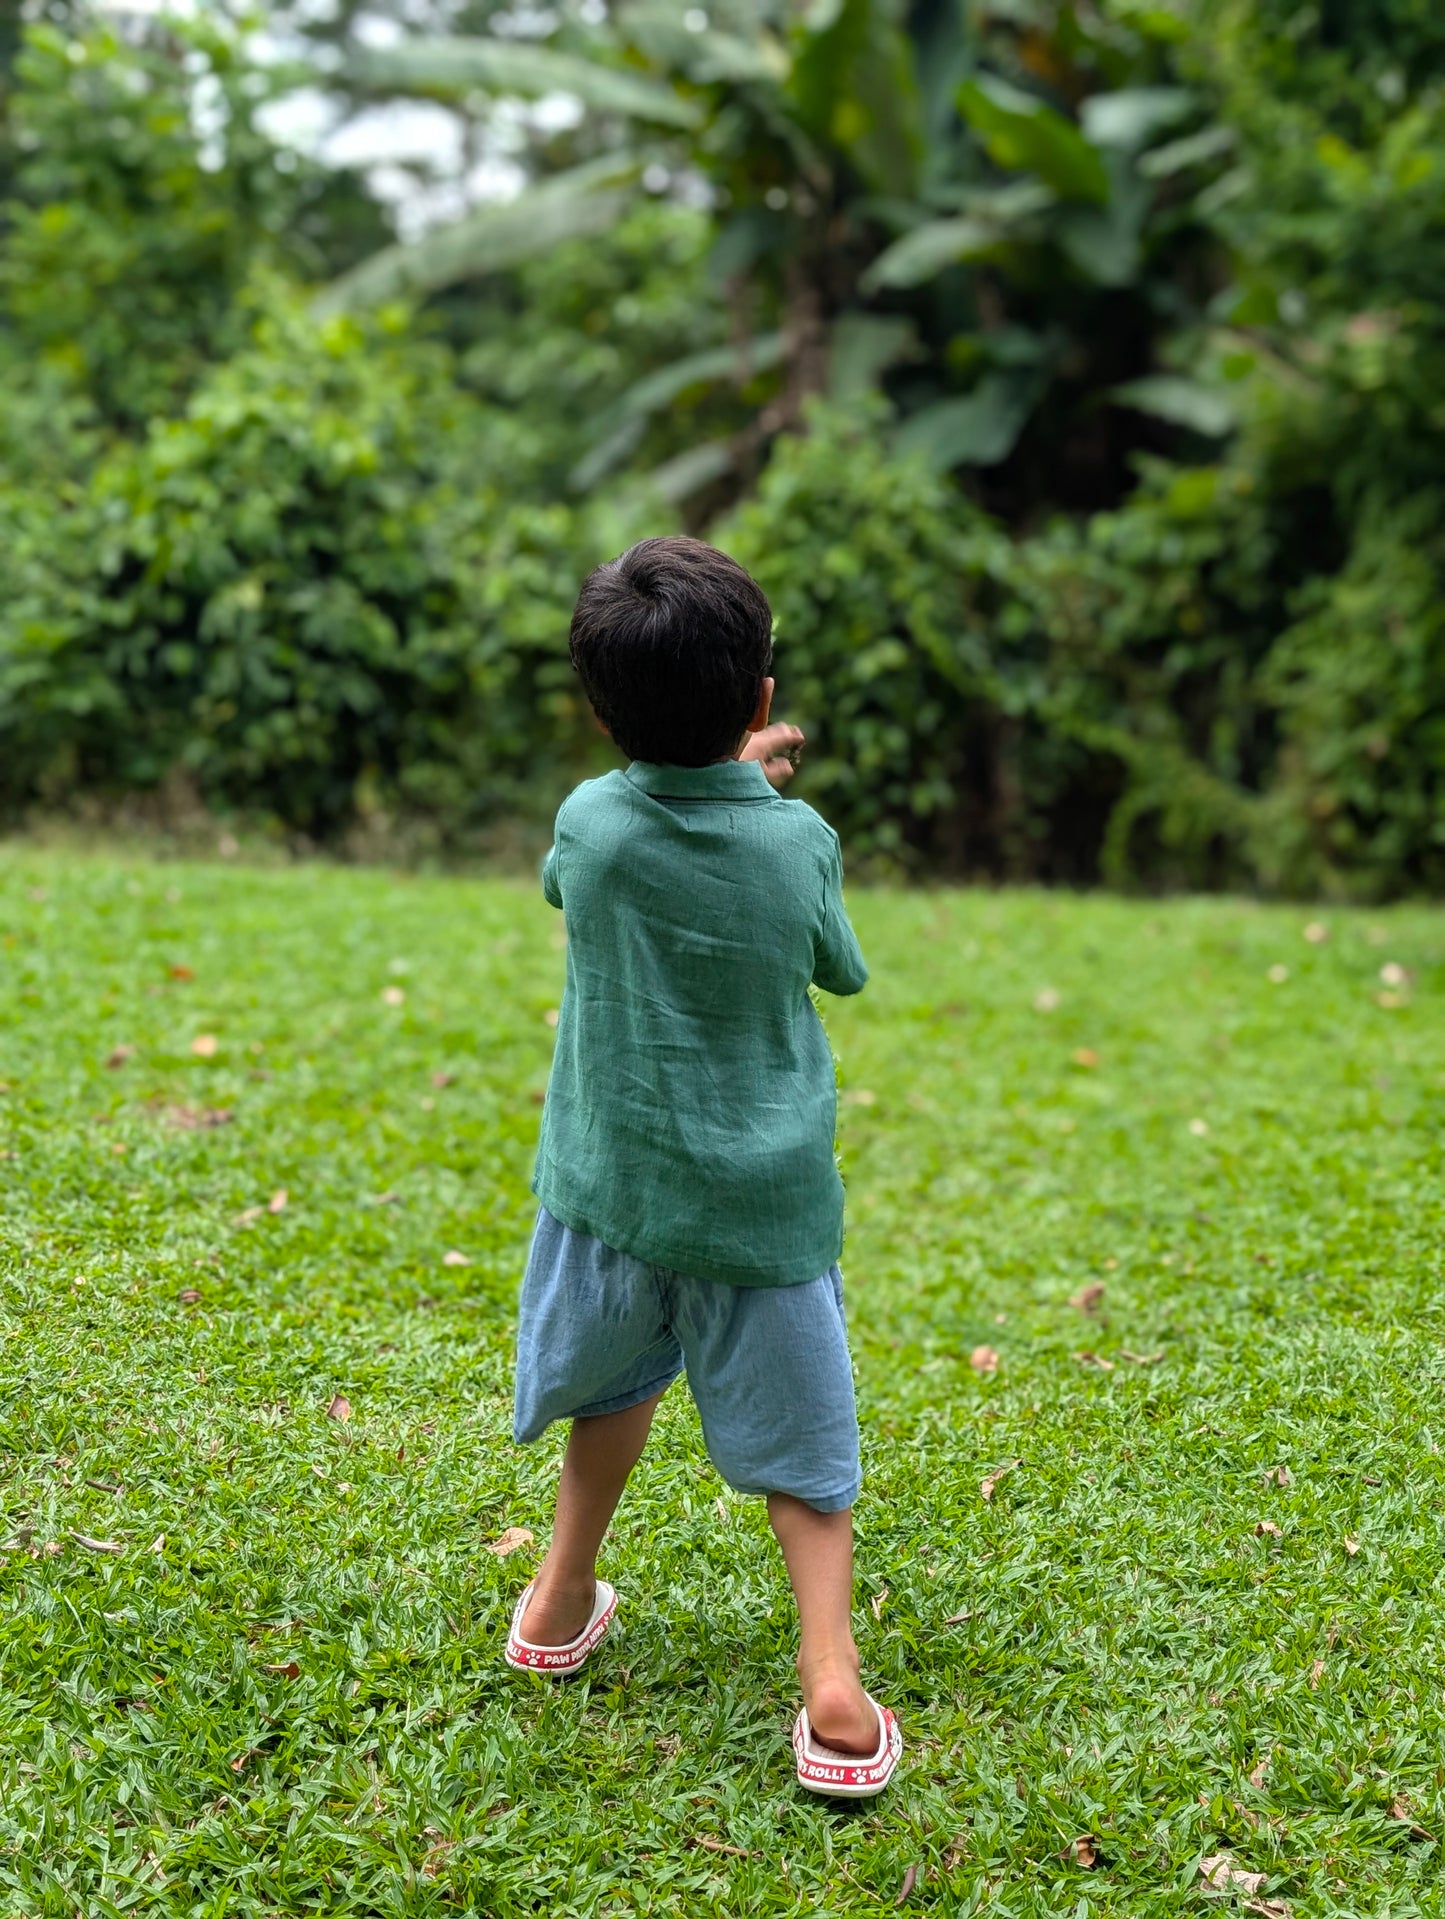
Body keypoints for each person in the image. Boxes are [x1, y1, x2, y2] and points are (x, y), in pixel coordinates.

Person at [505, 535, 901, 1799]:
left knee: (611, 1390)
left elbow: (582, 866)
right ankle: (829, 1678)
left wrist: (708, 773)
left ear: (598, 705)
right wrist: (760, 795)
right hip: (762, 1206)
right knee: (804, 1447)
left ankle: (559, 1598)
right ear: (761, 703)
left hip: (615, 1190)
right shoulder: (799, 842)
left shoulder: (591, 823)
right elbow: (836, 962)